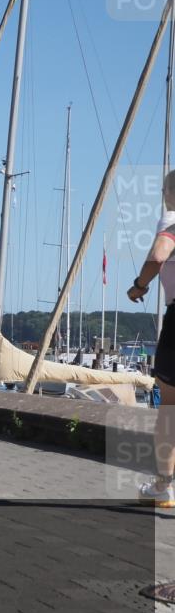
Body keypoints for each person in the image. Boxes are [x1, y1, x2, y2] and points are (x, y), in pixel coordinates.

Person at [128, 169, 175, 507]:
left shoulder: (171, 222)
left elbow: (158, 256)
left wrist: (139, 286)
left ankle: (164, 486)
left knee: (170, 408)